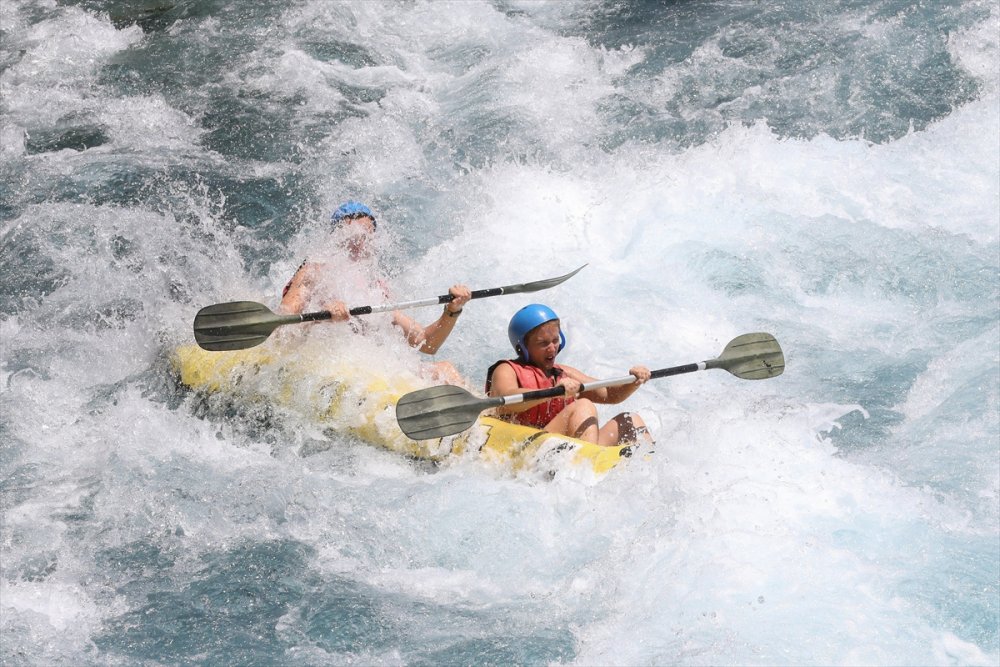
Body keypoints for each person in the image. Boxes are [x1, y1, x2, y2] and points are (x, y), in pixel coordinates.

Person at [279, 201, 471, 381]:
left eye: (366, 238)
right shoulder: (314, 271)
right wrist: (321, 315)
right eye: (352, 238)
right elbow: (282, 328)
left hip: (371, 367)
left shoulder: (374, 288)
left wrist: (452, 311)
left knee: (446, 370)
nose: (359, 246)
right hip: (328, 363)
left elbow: (427, 344)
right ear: (335, 237)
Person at [485, 304, 654, 447]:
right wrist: (552, 391)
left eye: (555, 340)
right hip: (523, 447)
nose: (552, 348)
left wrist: (634, 382)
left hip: (562, 448)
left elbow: (609, 394)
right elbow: (505, 399)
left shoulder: (564, 372)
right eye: (543, 343)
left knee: (630, 420)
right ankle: (588, 462)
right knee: (583, 405)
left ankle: (648, 467)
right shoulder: (507, 369)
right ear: (523, 348)